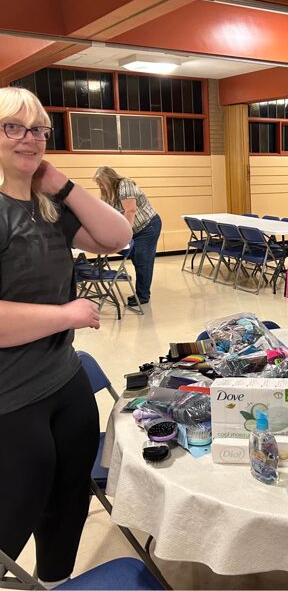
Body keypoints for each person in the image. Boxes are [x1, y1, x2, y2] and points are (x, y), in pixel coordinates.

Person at [0, 87, 131, 586]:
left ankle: (56, 581)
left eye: (38, 129)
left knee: (67, 503)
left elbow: (118, 237)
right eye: (14, 127)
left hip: (64, 380)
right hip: (11, 399)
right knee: (13, 519)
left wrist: (61, 183)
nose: (29, 139)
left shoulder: (46, 206)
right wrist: (66, 314)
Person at [93, 166, 162, 306]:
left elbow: (130, 210)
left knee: (143, 260)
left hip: (147, 226)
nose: (100, 186)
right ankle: (141, 290)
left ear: (109, 179)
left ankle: (142, 296)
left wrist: (124, 234)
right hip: (135, 230)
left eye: (101, 182)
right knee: (137, 257)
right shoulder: (108, 192)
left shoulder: (125, 185)